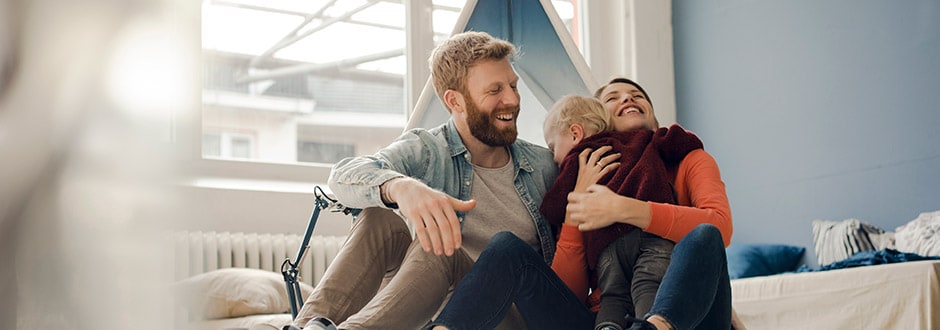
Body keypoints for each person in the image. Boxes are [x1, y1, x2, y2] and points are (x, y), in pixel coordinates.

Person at [288, 31, 559, 330]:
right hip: (435, 311)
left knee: (439, 244)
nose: (512, 99)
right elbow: (342, 176)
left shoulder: (543, 166)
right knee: (380, 220)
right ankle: (303, 327)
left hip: (503, 314)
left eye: (512, 85)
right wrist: (399, 187)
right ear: (455, 101)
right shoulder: (428, 151)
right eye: (495, 90)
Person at [428, 78, 735, 330]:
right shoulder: (582, 177)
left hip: (685, 319)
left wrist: (625, 209)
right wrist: (577, 201)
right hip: (604, 320)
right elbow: (570, 292)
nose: (627, 98)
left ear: (653, 119)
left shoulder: (688, 158)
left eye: (638, 95)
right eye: (613, 97)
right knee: (507, 248)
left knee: (703, 235)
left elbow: (719, 229)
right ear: (598, 126)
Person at [541, 94, 707, 329]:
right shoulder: (643, 141)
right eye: (612, 98)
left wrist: (560, 207)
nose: (554, 156)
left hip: (608, 244)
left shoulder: (577, 161)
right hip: (653, 239)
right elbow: (677, 139)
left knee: (613, 294)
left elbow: (554, 205)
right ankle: (646, 324)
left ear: (575, 134)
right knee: (649, 284)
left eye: (552, 147)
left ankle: (608, 326)